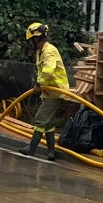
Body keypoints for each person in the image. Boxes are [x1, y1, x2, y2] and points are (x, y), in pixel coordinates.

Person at [17, 22, 68, 161]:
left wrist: (38, 84)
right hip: (49, 91)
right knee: (49, 122)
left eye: (31, 41)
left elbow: (48, 71)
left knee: (40, 119)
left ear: (36, 39)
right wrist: (39, 85)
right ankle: (51, 152)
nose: (31, 44)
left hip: (56, 91)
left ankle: (32, 149)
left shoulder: (49, 51)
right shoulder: (41, 51)